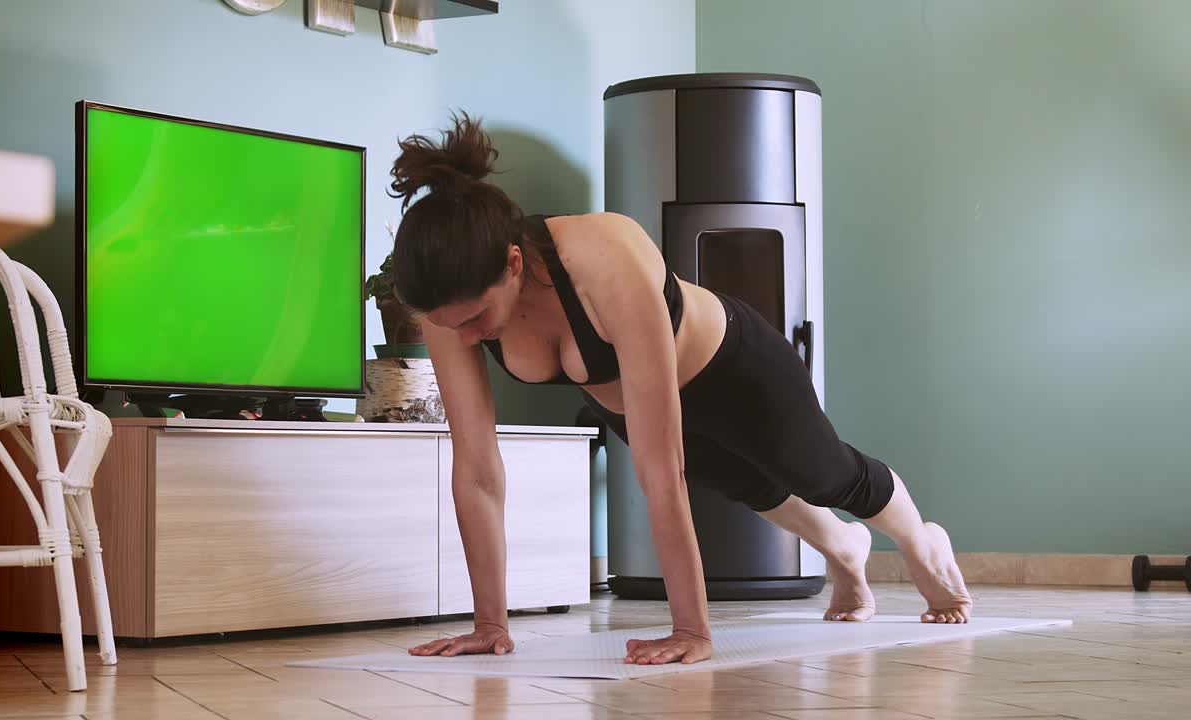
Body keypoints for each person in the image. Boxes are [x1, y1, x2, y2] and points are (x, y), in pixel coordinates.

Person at [393, 113, 971, 667]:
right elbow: (475, 468)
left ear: (514, 263)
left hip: (734, 368)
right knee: (752, 487)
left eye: (476, 319)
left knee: (822, 473)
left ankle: (922, 542)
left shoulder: (605, 258)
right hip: (628, 398)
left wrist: (692, 628)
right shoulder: (449, 310)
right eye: (450, 325)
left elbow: (658, 470)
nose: (464, 336)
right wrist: (491, 625)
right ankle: (845, 548)